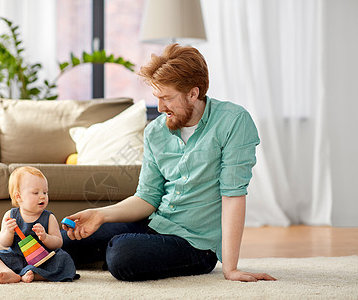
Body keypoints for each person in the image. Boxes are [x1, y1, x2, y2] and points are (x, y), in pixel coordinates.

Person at [61, 44, 276, 282]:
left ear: (193, 93)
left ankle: (110, 252)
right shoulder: (155, 131)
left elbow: (233, 195)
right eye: (157, 97)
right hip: (155, 223)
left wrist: (231, 268)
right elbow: (147, 196)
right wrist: (100, 214)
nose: (161, 108)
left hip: (196, 243)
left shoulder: (233, 122)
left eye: (167, 98)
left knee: (121, 253)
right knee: (65, 239)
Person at [0, 166, 77, 284]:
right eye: (35, 192)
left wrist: (46, 237)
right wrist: (8, 232)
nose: (42, 196)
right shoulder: (10, 215)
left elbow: (58, 243)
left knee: (64, 259)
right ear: (18, 196)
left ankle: (32, 274)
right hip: (16, 258)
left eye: (45, 192)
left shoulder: (49, 217)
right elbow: (4, 243)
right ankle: (9, 273)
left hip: (43, 260)